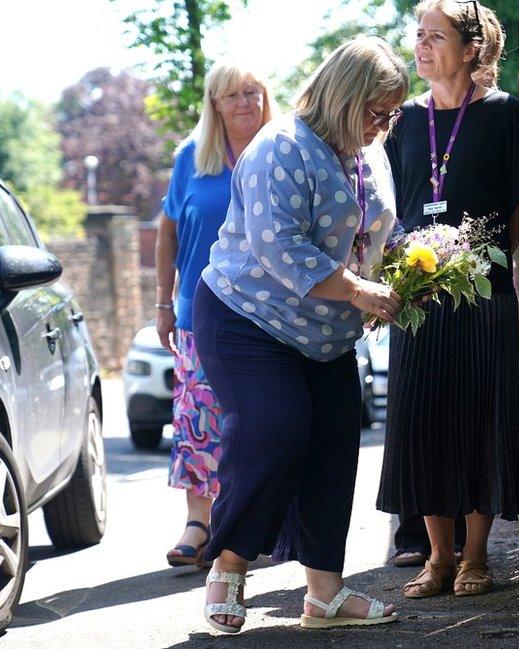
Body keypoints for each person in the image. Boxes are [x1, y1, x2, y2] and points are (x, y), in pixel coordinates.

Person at [192, 36, 409, 634]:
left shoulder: (369, 152)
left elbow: (374, 233)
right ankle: (228, 566)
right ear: (345, 96)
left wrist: (409, 270)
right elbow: (279, 247)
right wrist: (363, 293)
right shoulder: (281, 147)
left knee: (335, 451)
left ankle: (325, 597)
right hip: (246, 318)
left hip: (325, 333)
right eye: (377, 111)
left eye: (391, 114)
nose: (384, 124)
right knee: (276, 428)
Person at [377, 0, 519, 599]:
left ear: (471, 49)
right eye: (418, 35)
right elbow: (388, 206)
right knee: (422, 419)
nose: (421, 46)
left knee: (479, 417)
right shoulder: (403, 119)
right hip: (416, 298)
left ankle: (476, 557)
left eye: (435, 36)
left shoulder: (504, 116)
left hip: (482, 293)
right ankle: (436, 557)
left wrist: (488, 262)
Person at [156, 61, 273, 568]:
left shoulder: (280, 153)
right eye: (232, 96)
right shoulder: (191, 159)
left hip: (268, 310)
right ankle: (198, 522)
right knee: (198, 417)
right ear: (215, 105)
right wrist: (164, 301)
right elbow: (168, 233)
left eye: (253, 92)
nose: (245, 103)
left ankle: (249, 521)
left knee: (260, 418)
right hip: (196, 311)